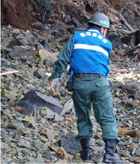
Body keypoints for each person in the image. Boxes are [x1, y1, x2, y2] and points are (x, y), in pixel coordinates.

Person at [49, 12, 124, 163]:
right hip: (100, 83)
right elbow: (102, 64)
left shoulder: (76, 37)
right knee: (107, 118)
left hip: (79, 83)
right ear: (103, 28)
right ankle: (109, 155)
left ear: (90, 25)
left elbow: (63, 58)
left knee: (83, 117)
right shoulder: (107, 43)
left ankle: (86, 152)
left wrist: (56, 76)